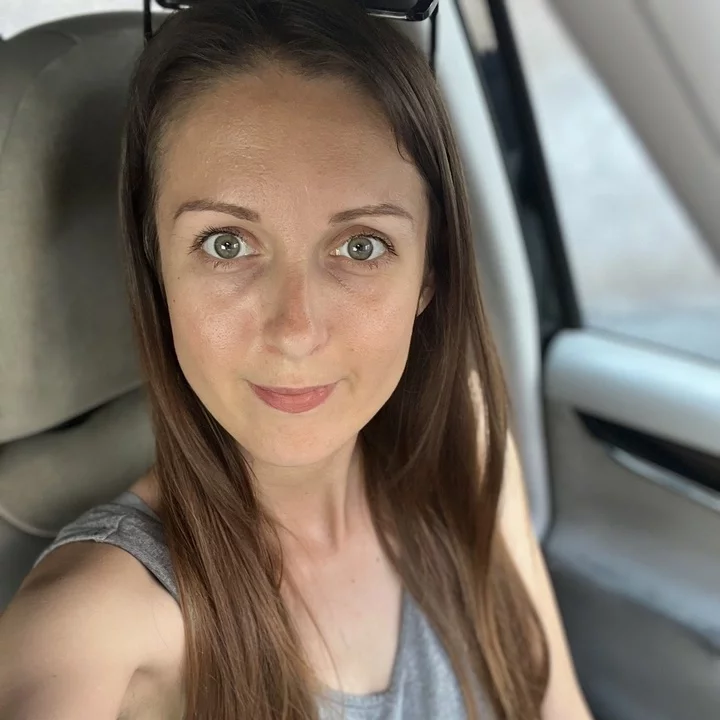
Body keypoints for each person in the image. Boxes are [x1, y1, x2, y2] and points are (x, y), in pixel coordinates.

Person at [0, 1, 594, 718]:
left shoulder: (464, 440)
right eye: (226, 244)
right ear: (155, 266)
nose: (296, 330)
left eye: (361, 246)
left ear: (429, 274)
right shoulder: (95, 623)